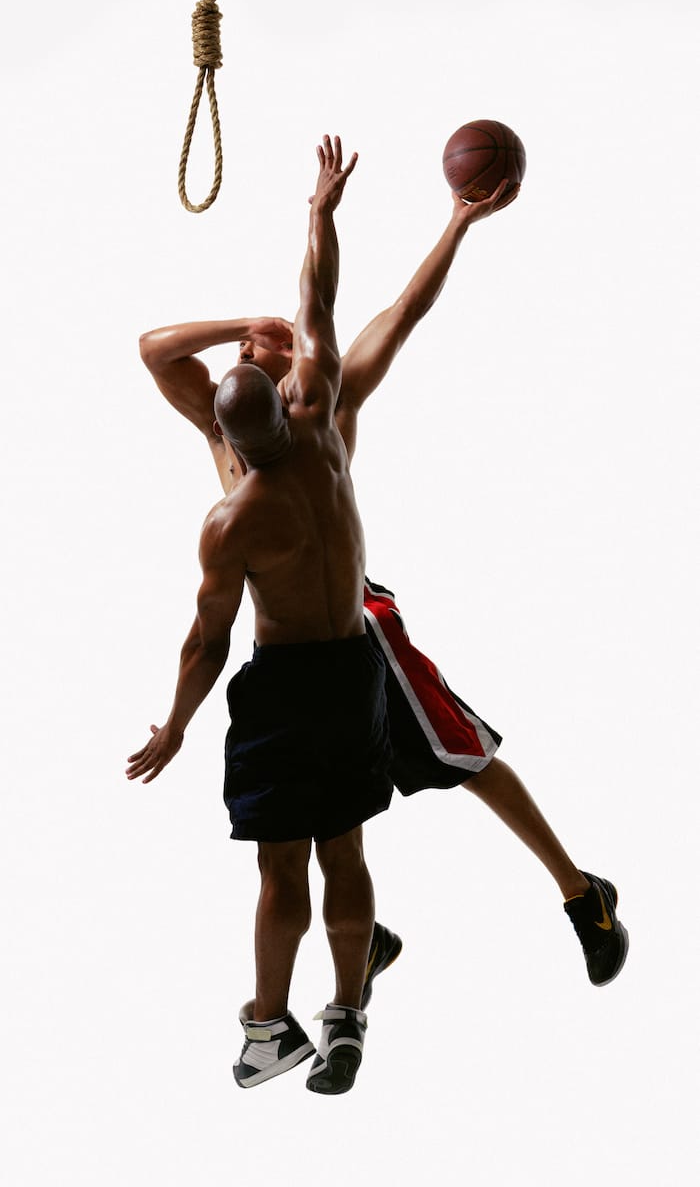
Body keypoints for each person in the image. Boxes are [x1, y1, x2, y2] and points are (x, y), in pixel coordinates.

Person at [139, 152, 629, 994]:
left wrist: (457, 223)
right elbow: (154, 349)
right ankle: (361, 943)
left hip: (355, 625)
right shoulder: (222, 426)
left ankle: (582, 893)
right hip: (290, 655)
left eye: (275, 339)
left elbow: (401, 311)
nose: (262, 344)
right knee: (314, 816)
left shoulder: (327, 402)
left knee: (458, 754)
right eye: (252, 345)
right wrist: (243, 321)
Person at [128, 136, 395, 1097]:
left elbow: (207, 638)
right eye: (250, 348)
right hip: (338, 663)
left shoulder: (236, 510)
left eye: (258, 345)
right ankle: (344, 1013)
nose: (254, 344)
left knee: (293, 865)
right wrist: (314, 223)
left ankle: (274, 1026)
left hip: (295, 671)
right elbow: (305, 305)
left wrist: (177, 725)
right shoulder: (309, 415)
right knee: (341, 850)